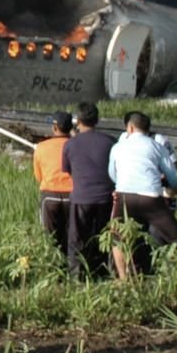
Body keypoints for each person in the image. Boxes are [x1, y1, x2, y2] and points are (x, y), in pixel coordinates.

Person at [107, 112, 177, 276]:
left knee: (117, 238)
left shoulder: (118, 147)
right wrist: (174, 188)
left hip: (125, 197)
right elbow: (173, 175)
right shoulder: (156, 146)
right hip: (151, 197)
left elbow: (112, 174)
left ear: (130, 127)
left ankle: (123, 278)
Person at [60, 102, 116, 279]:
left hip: (81, 197)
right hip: (106, 198)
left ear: (78, 121)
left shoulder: (70, 144)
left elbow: (66, 169)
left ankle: (77, 276)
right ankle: (104, 272)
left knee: (77, 239)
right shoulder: (110, 142)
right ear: (97, 120)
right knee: (104, 237)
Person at [33, 111, 74, 257]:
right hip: (73, 196)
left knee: (49, 237)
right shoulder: (76, 145)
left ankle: (52, 267)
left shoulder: (41, 147)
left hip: (50, 196)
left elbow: (38, 177)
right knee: (72, 235)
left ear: (55, 128)